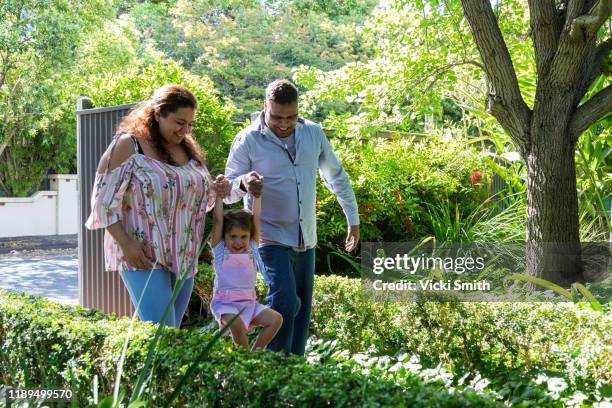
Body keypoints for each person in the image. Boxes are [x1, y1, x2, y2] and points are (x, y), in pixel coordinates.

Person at [224, 79, 359, 355]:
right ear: (264, 106)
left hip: (305, 236)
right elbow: (226, 191)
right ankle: (268, 362)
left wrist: (353, 218)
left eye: (291, 117)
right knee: (285, 301)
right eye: (277, 117)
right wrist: (243, 183)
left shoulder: (313, 134)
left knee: (300, 315)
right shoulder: (248, 139)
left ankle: (294, 371)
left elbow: (336, 177)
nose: (284, 123)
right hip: (268, 235)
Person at [85, 84, 221, 327]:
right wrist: (127, 244)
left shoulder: (186, 150)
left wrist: (236, 186)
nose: (185, 130)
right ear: (158, 113)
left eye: (190, 124)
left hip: (183, 257)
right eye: (180, 122)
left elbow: (205, 199)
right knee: (162, 333)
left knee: (170, 338)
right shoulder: (128, 145)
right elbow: (102, 202)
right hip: (143, 255)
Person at [209, 174, 283, 350]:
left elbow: (255, 219)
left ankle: (255, 354)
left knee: (276, 320)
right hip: (226, 305)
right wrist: (219, 196)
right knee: (236, 325)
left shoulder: (251, 249)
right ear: (224, 236)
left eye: (243, 237)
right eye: (233, 236)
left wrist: (257, 196)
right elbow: (218, 220)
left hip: (249, 304)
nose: (238, 242)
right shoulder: (220, 251)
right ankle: (244, 362)